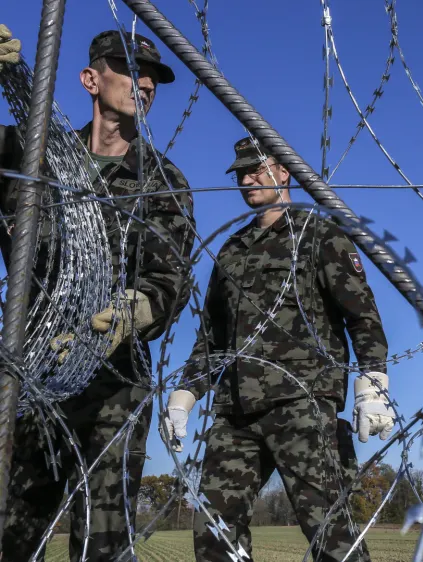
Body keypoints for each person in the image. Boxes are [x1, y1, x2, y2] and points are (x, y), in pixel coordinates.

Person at [0, 27, 196, 560]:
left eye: (153, 77)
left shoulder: (162, 181)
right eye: (130, 69)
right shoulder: (35, 157)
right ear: (91, 79)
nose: (145, 83)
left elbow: (168, 280)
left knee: (102, 543)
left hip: (114, 385)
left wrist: (124, 316)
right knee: (13, 534)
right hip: (32, 374)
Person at [162, 137, 393, 561]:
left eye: (256, 169)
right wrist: (185, 394)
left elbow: (361, 314)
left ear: (284, 171)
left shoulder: (318, 234)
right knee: (214, 530)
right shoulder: (232, 250)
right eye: (240, 174)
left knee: (329, 530)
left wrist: (373, 382)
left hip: (301, 401)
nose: (247, 180)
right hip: (235, 410)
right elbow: (212, 336)